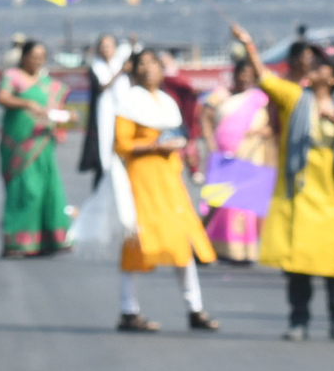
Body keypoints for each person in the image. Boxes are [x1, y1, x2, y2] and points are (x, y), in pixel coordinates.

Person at [234, 24, 334, 342]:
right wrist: (250, 45)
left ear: (333, 77)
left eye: (321, 65)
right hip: (300, 193)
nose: (314, 66)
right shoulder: (295, 98)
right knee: (298, 265)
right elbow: (265, 79)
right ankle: (299, 320)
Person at [112, 49, 218, 332]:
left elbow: (179, 136)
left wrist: (182, 153)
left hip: (170, 180)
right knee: (137, 242)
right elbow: (121, 145)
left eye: (153, 63)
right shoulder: (129, 102)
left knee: (181, 243)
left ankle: (195, 308)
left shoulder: (167, 102)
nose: (148, 69)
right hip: (142, 181)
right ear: (134, 71)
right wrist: (154, 146)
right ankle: (128, 309)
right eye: (141, 64)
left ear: (161, 69)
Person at [0, 40, 72, 257]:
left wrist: (67, 116)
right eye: (34, 57)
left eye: (41, 57)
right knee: (27, 190)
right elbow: (2, 97)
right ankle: (17, 241)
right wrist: (25, 103)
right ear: (24, 57)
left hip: (43, 142)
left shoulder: (47, 83)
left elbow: (56, 107)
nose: (38, 61)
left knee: (48, 189)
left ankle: (46, 240)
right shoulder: (13, 76)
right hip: (19, 143)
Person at [198, 58, 276, 263]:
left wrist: (260, 131)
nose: (245, 78)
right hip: (223, 156)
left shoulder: (260, 98)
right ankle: (202, 245)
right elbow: (205, 118)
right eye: (242, 73)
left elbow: (274, 125)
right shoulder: (221, 95)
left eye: (250, 74)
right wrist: (210, 142)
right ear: (235, 74)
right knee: (216, 200)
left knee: (244, 203)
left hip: (250, 154)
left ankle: (241, 251)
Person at [79, 34, 136, 189]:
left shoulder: (122, 65)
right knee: (104, 155)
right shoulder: (96, 67)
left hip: (123, 114)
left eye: (109, 46)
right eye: (103, 46)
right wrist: (120, 73)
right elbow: (100, 87)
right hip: (103, 117)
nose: (106, 49)